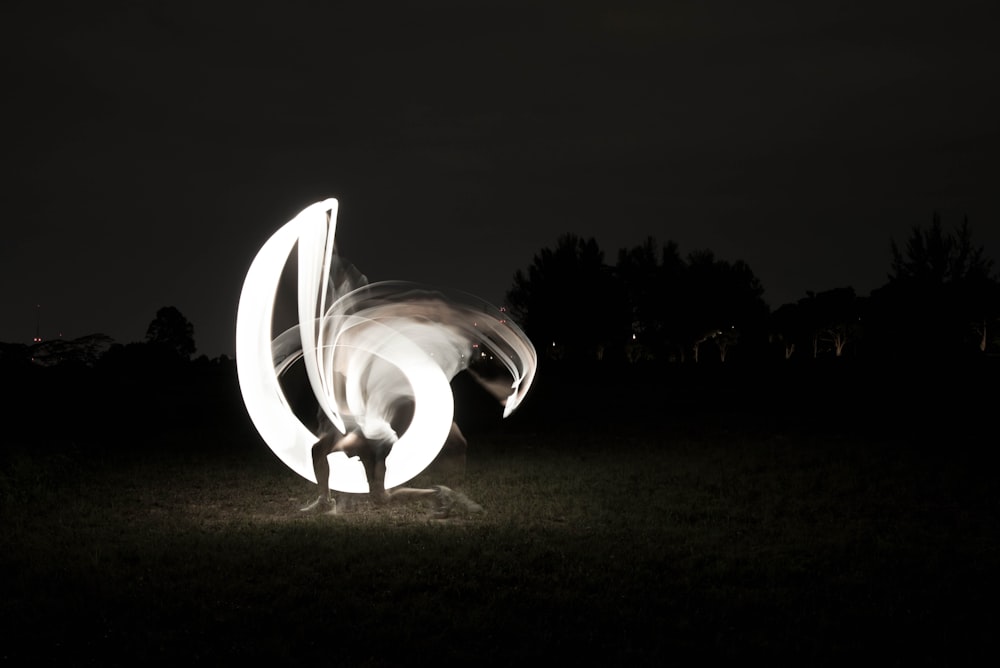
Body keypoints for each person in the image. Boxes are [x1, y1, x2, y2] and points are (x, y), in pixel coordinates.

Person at [299, 406, 481, 518]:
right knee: (318, 450)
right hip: (364, 434)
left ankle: (438, 494)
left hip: (376, 441)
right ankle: (325, 501)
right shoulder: (339, 415)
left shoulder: (368, 440)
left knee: (380, 498)